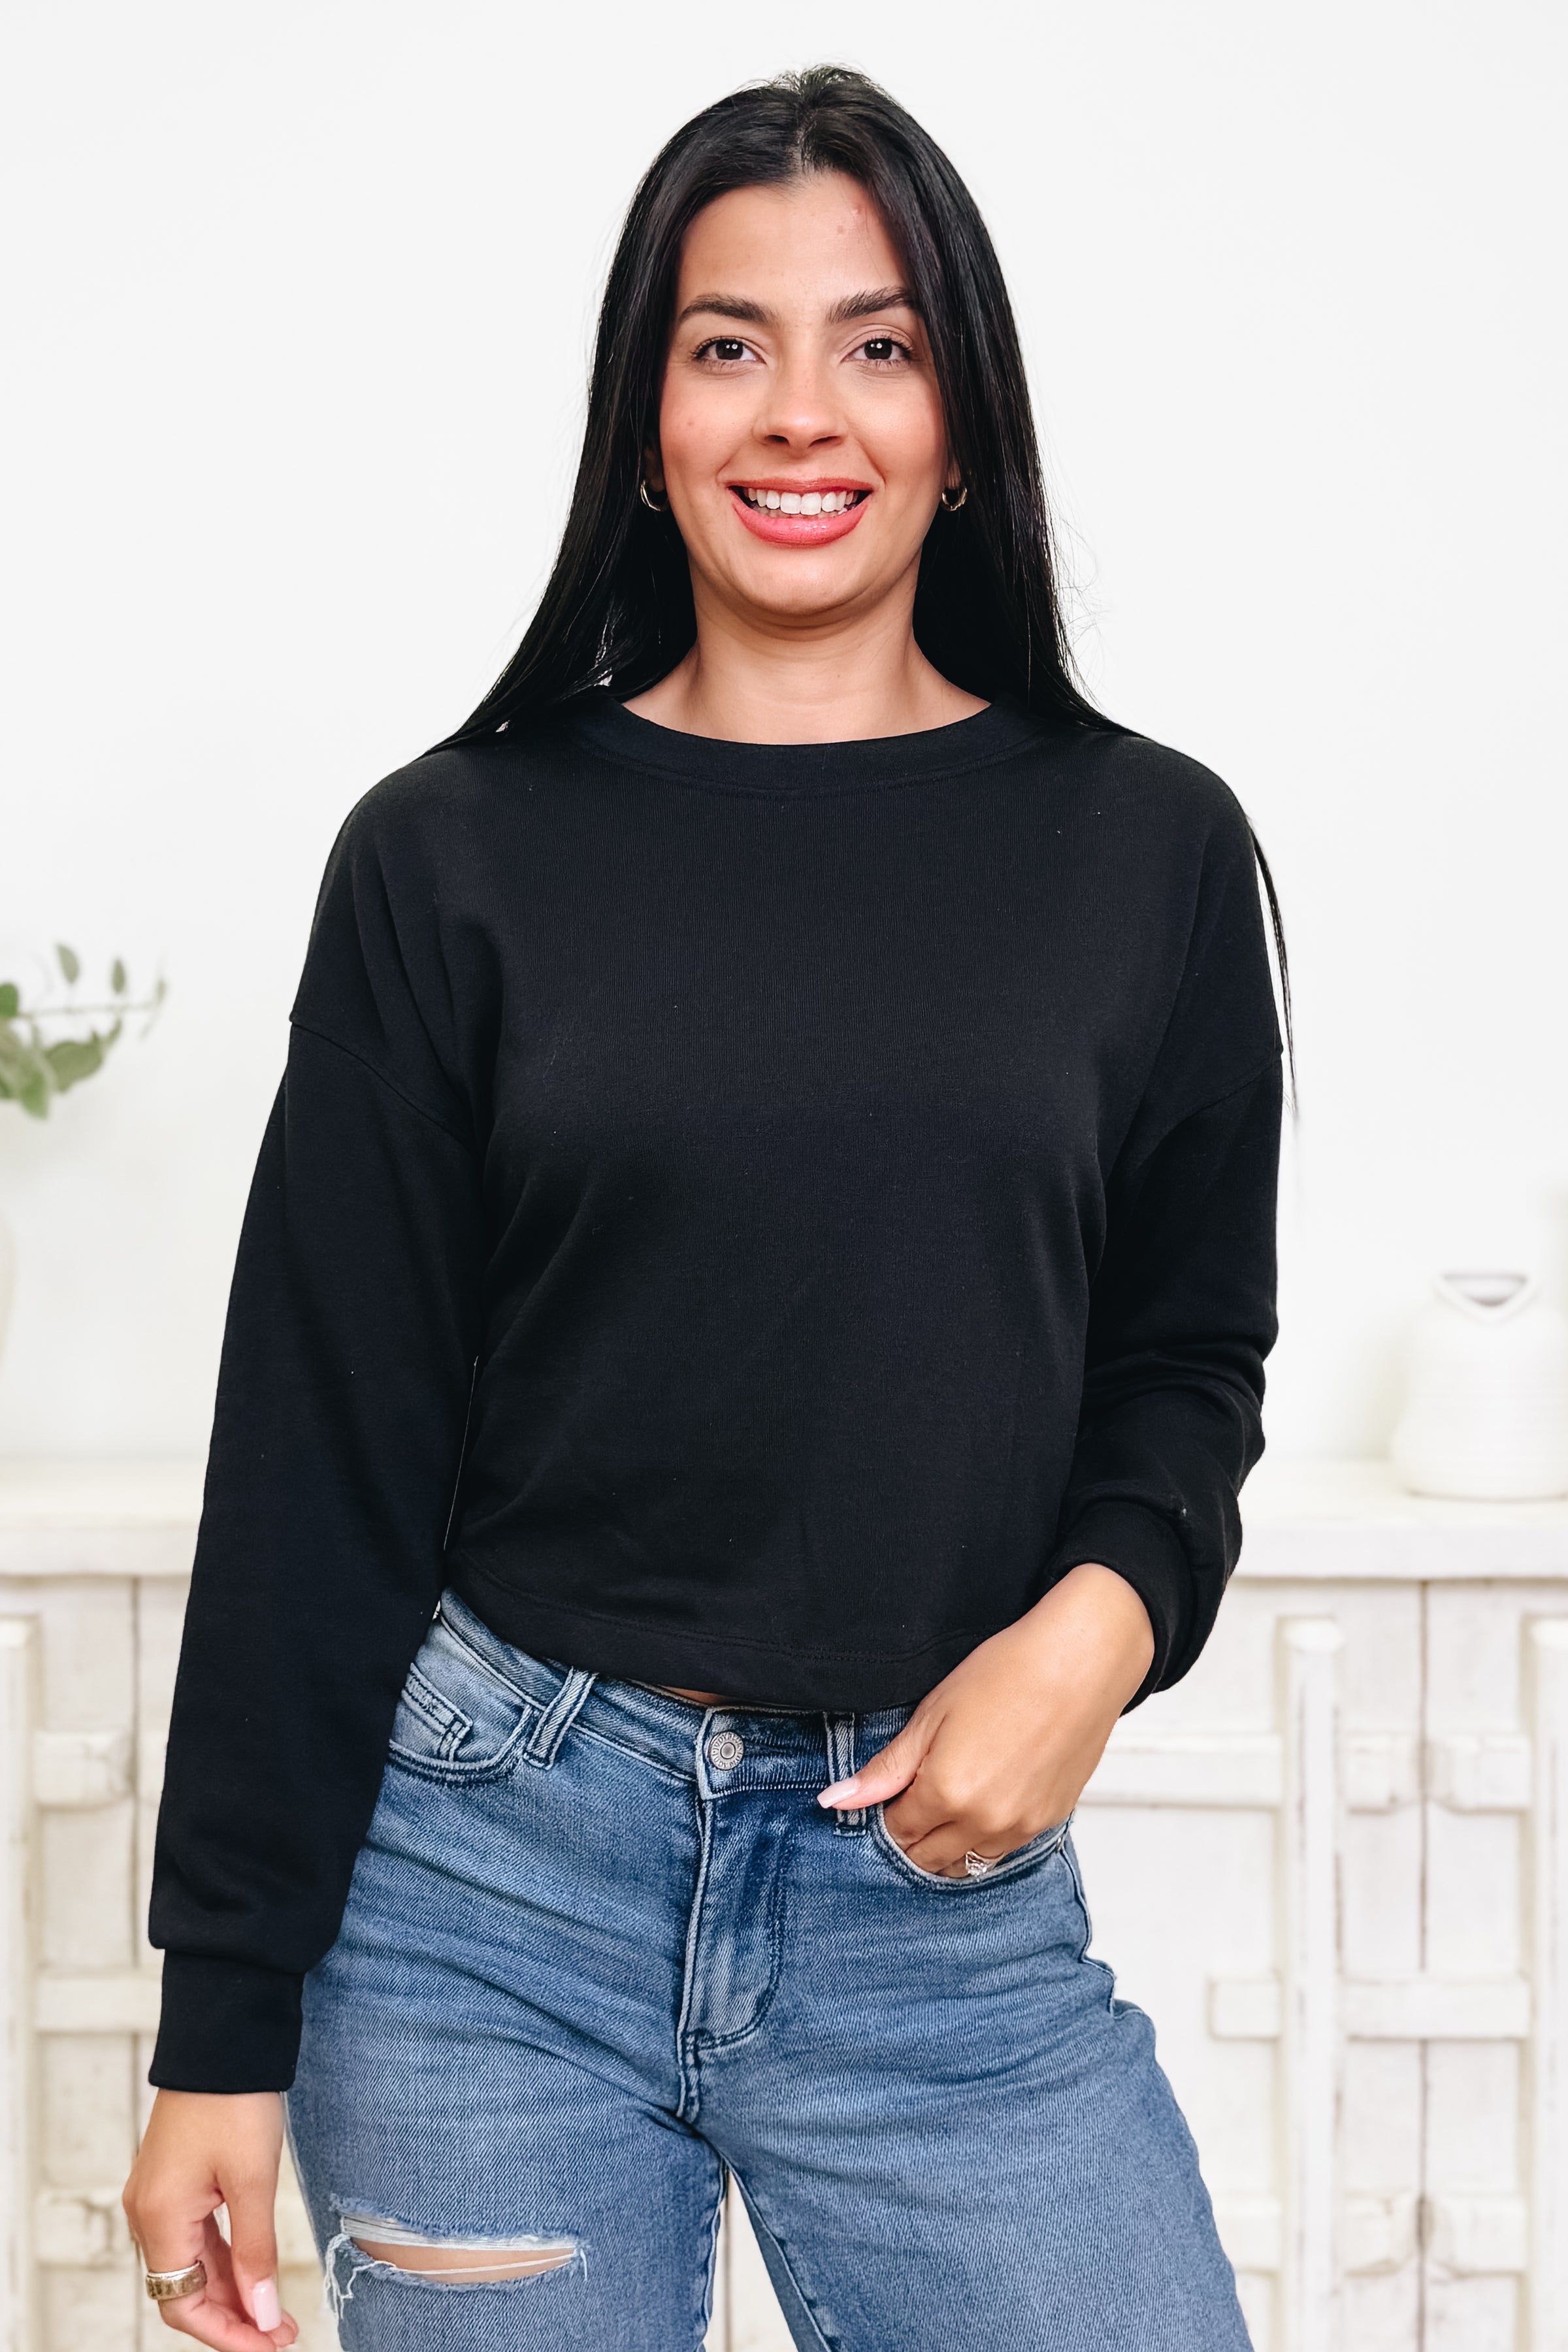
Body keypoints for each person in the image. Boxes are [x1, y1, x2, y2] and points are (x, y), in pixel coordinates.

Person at [123, 64, 1284, 2352]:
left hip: (936, 1905)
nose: (800, 413)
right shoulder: (450, 854)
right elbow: (322, 1456)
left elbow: (1183, 1357)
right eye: (727, 343)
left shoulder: (1144, 850)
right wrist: (219, 2026)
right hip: (483, 1899)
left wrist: (1098, 1628)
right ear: (646, 420)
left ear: (964, 417)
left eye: (879, 343)